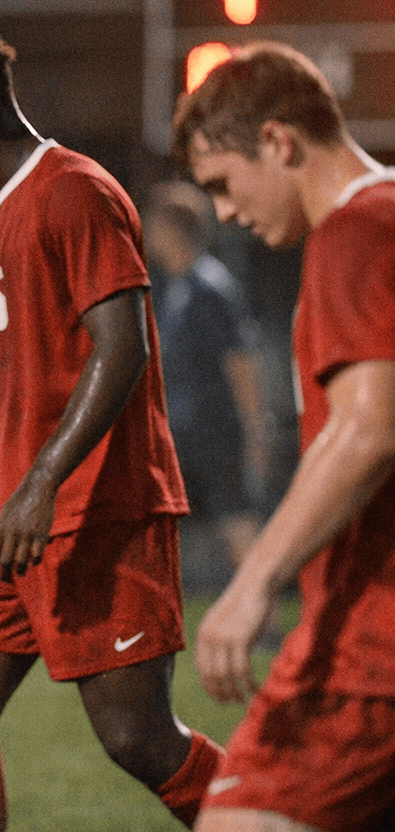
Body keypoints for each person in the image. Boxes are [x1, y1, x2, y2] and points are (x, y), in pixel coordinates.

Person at [0, 14, 223, 832]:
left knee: (135, 737)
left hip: (96, 507)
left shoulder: (76, 190)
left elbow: (124, 345)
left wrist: (43, 482)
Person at [171, 42, 395, 832]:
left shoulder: (356, 233)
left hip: (368, 655)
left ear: (278, 142)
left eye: (224, 184)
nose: (223, 213)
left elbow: (370, 428)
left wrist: (251, 581)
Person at [141, 182, 274, 612]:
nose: (147, 233)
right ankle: (157, 613)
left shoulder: (211, 285)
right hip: (182, 432)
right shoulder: (171, 288)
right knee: (161, 523)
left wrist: (256, 431)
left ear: (175, 230)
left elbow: (240, 363)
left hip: (218, 434)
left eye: (154, 225)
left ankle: (265, 615)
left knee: (237, 525)